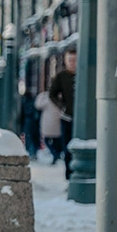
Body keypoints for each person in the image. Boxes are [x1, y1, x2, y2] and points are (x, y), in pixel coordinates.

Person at [49, 47, 76, 179]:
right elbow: (52, 93)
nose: (72, 63)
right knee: (67, 147)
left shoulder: (83, 74)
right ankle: (69, 174)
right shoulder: (61, 76)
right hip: (67, 117)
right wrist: (61, 106)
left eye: (74, 60)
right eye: (70, 60)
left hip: (82, 118)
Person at [34, 90, 64, 164]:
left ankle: (55, 154)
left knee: (47, 139)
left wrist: (42, 95)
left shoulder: (47, 97)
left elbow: (38, 105)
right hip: (58, 120)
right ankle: (56, 154)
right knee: (56, 140)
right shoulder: (60, 97)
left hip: (48, 121)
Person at [20, 89, 41, 160]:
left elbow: (22, 113)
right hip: (34, 122)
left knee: (29, 138)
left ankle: (31, 152)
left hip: (27, 121)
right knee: (34, 138)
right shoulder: (34, 101)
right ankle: (34, 152)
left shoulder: (24, 102)